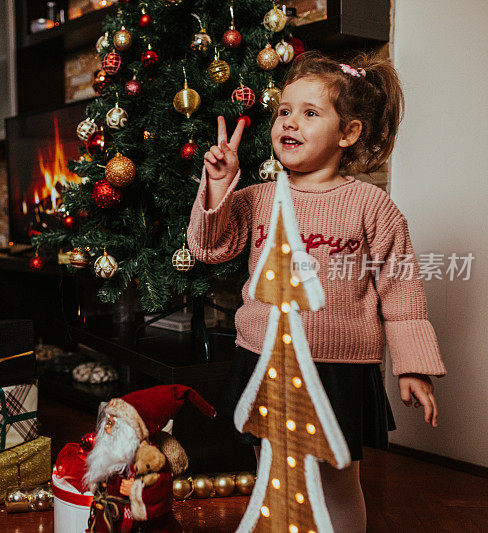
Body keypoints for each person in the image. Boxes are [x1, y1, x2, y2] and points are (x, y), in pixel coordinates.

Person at [187, 51, 446, 532]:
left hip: (339, 369)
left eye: (310, 113)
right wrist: (219, 186)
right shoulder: (258, 198)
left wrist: (414, 364)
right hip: (263, 358)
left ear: (348, 134)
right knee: (272, 475)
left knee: (336, 478)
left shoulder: (372, 206)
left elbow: (401, 286)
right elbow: (209, 248)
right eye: (284, 111)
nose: (290, 122)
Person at [83, 385, 216, 532]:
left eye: (114, 423)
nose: (107, 428)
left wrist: (136, 490)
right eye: (108, 421)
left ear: (133, 430)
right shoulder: (112, 455)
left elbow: (161, 493)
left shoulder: (150, 460)